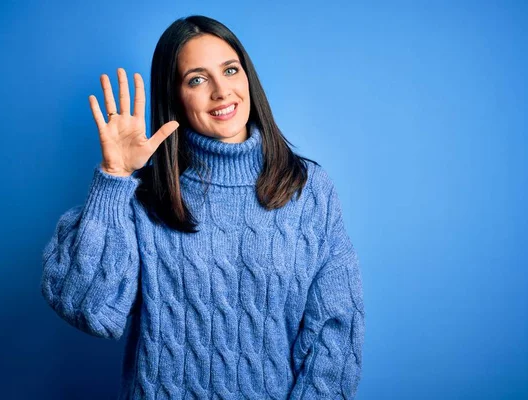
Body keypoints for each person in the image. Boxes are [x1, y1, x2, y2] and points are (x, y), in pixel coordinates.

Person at [41, 14, 365, 400]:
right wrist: (114, 176)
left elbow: (337, 331)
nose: (221, 91)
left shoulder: (308, 190)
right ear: (175, 96)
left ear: (248, 78)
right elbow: (87, 306)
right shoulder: (145, 195)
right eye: (197, 79)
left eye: (230, 70)